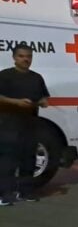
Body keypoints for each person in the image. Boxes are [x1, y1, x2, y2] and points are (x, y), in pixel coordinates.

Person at [0, 43, 50, 205]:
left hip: (30, 124)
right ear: (14, 58)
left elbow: (44, 97)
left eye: (28, 56)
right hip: (9, 125)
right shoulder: (5, 76)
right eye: (21, 56)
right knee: (8, 160)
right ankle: (5, 194)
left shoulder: (37, 78)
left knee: (28, 159)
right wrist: (16, 102)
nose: (25, 59)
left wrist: (43, 101)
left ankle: (26, 192)